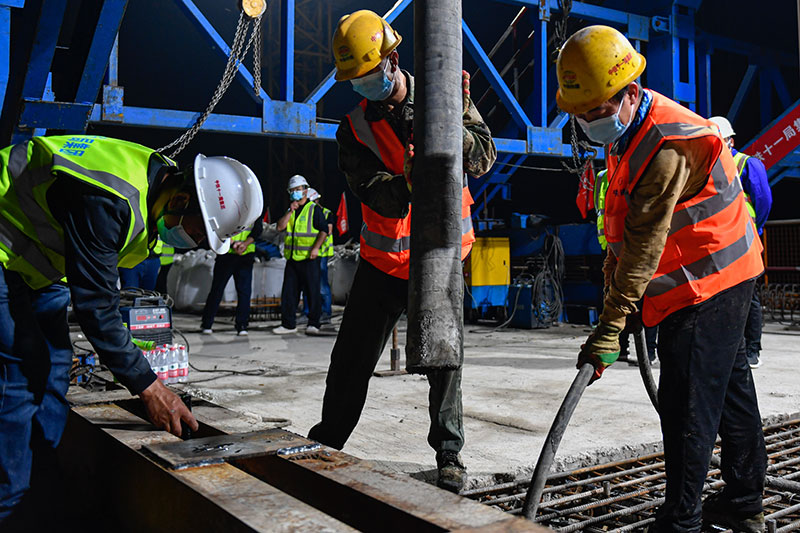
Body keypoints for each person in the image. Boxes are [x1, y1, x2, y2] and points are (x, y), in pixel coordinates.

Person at [557, 26, 766, 532]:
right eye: (580, 115)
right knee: (731, 388)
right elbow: (622, 228)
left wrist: (611, 322)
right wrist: (615, 291)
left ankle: (682, 521)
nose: (588, 123)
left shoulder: (667, 143)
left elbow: (646, 244)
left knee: (687, 401)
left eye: (596, 112)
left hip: (707, 282)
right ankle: (743, 499)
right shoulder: (629, 131)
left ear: (629, 93)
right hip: (720, 274)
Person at [0, 135, 263, 528]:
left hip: (38, 262)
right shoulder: (107, 198)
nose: (193, 246)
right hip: (5, 243)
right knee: (21, 375)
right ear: (180, 200)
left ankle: (42, 477)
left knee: (56, 365)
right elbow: (96, 308)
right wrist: (149, 386)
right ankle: (11, 507)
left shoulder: (151, 188)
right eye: (197, 234)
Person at [307, 10, 496, 494]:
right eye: (354, 80)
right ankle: (327, 441)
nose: (362, 86)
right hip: (383, 262)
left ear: (392, 60)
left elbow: (482, 156)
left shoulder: (445, 93)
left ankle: (449, 457)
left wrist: (450, 118)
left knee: (444, 360)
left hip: (440, 254)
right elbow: (370, 190)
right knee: (351, 359)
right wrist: (409, 184)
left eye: (367, 74)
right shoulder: (353, 128)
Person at [709, 116, 772, 369]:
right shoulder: (705, 166)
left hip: (744, 241)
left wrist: (754, 230)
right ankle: (730, 348)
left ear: (730, 140)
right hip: (717, 243)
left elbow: (763, 201)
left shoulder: (745, 163)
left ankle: (752, 350)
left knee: (749, 296)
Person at [594, 169, 658, 364]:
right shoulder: (603, 177)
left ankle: (647, 351)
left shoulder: (638, 167)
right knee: (616, 295)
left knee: (644, 298)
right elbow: (600, 209)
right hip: (617, 246)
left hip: (638, 246)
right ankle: (621, 347)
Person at [273, 174, 328, 335]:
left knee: (312, 291)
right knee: (289, 293)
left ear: (305, 191)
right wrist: (290, 211)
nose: (295, 192)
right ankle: (289, 324)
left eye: (298, 189)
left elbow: (324, 230)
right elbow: (279, 227)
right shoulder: (291, 210)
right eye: (292, 190)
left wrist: (316, 248)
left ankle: (314, 323)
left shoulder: (314, 209)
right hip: (292, 258)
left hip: (309, 259)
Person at [200, 217, 264, 336]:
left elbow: (257, 230)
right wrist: (234, 244)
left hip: (245, 255)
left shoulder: (255, 209)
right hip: (227, 254)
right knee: (217, 289)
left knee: (244, 292)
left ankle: (242, 325)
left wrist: (244, 244)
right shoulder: (231, 207)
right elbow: (219, 228)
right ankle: (207, 323)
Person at [302, 187, 334, 323]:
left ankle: (326, 312)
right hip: (308, 254)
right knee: (308, 285)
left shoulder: (326, 213)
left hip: (321, 253)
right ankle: (307, 312)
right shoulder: (305, 211)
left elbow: (329, 231)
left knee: (321, 285)